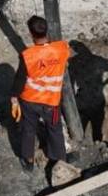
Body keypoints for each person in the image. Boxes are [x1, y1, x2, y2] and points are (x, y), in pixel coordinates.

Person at [10, 16, 71, 172]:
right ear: (47, 30)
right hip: (52, 101)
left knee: (28, 128)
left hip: (30, 99)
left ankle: (28, 160)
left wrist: (14, 97)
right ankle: (59, 159)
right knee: (55, 129)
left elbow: (20, 79)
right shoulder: (62, 48)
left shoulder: (27, 55)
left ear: (31, 34)